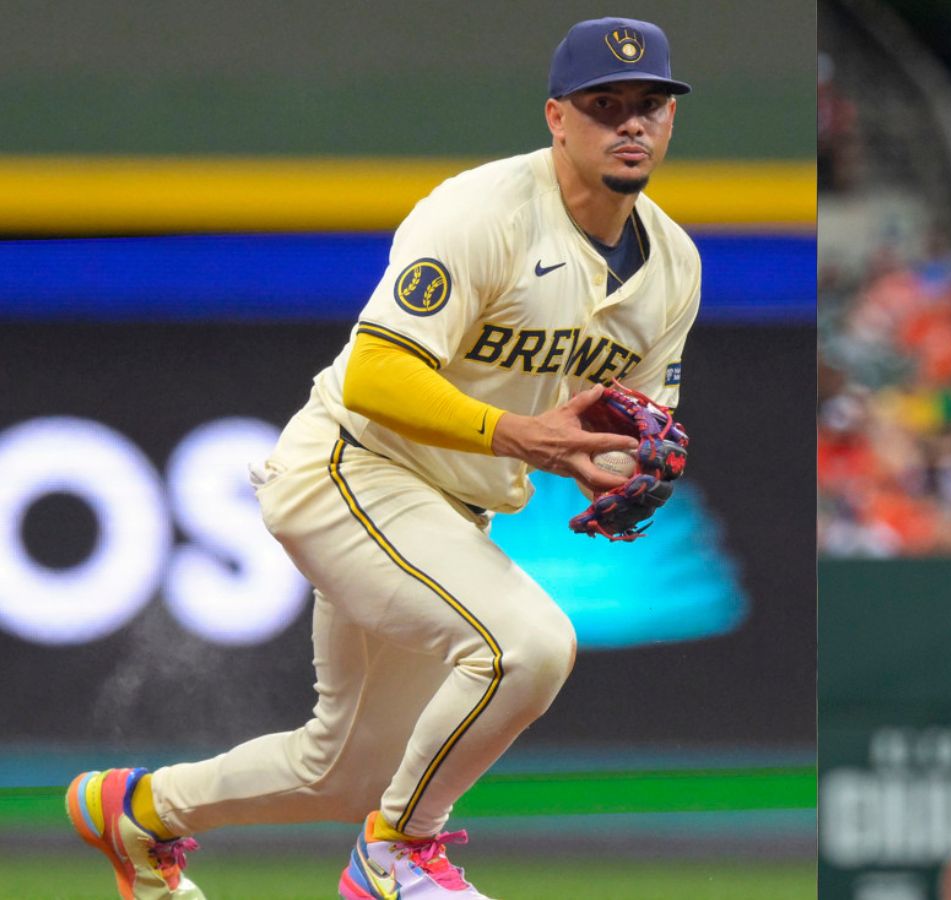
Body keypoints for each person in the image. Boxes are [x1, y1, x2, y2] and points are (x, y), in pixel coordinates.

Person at [65, 16, 700, 900]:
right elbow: (373, 372)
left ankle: (138, 809)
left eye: (651, 105)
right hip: (350, 471)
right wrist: (522, 438)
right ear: (557, 117)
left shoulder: (673, 264)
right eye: (606, 104)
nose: (631, 123)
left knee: (344, 772)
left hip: (448, 512)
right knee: (530, 646)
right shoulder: (481, 213)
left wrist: (626, 462)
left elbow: (632, 415)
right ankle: (399, 850)